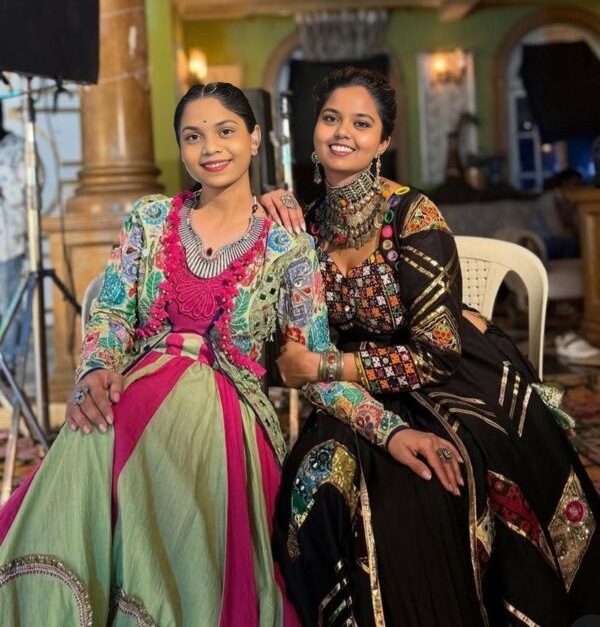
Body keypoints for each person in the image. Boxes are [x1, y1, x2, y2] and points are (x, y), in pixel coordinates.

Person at [0, 81, 425, 625]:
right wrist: (95, 368)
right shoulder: (150, 219)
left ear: (254, 139)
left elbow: (314, 366)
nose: (210, 148)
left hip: (224, 424)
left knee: (170, 429)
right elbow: (110, 311)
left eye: (225, 131)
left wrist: (391, 430)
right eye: (193, 136)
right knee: (91, 428)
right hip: (128, 401)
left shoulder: (287, 245)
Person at [260, 67, 600, 627]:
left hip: (447, 373)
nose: (342, 132)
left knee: (428, 489)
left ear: (383, 142)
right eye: (331, 118)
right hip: (355, 391)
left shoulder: (414, 215)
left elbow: (436, 354)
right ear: (314, 130)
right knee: (317, 485)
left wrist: (324, 364)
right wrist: (261, 202)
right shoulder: (305, 226)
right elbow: (292, 349)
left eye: (361, 123)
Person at [0, 102, 26, 375]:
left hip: (7, 244)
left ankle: (8, 365)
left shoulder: (17, 147)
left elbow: (26, 193)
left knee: (9, 306)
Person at [531, 167, 582, 260]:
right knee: (573, 244)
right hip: (543, 242)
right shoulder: (548, 200)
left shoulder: (571, 201)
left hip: (562, 239)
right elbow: (556, 231)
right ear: (565, 184)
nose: (579, 188)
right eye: (576, 184)